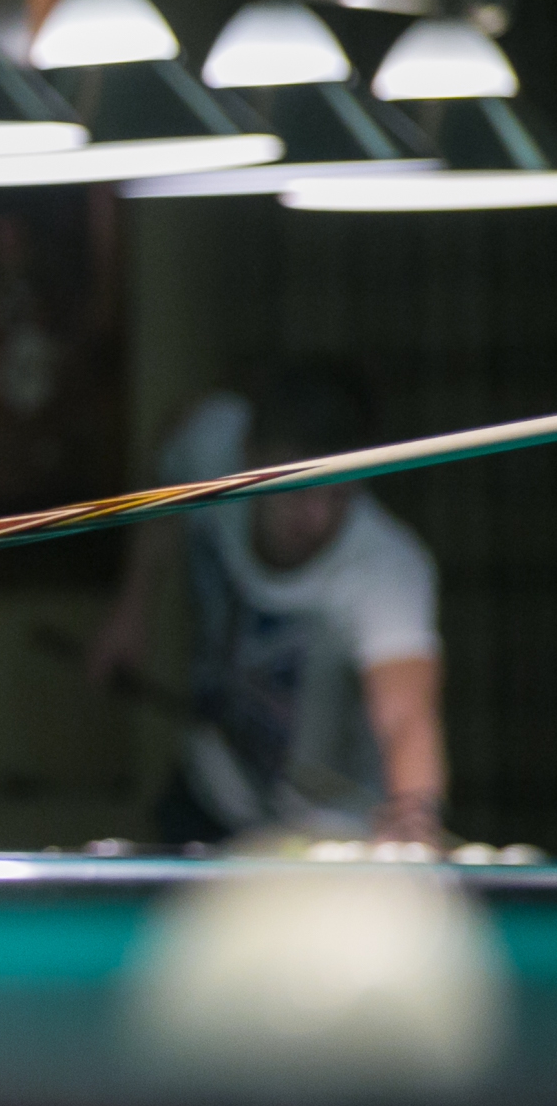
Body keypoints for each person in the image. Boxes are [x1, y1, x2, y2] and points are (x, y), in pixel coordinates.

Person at [88, 361, 446, 846]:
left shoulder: (387, 566)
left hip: (331, 833)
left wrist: (414, 822)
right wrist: (131, 609)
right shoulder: (212, 448)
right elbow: (174, 441)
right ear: (249, 455)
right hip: (212, 794)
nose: (317, 518)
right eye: (297, 492)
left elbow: (406, 719)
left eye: (339, 493)